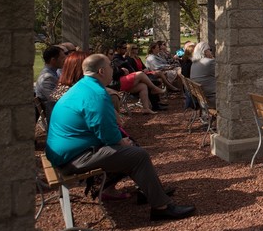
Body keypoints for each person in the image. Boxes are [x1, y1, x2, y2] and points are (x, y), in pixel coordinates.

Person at [45, 54, 196, 221]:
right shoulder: (95, 94)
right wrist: (121, 141)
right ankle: (161, 207)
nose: (114, 70)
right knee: (138, 156)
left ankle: (150, 191)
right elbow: (106, 131)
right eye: (111, 66)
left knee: (131, 149)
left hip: (67, 152)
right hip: (73, 158)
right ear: (101, 71)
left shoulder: (83, 87)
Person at [35, 45, 67, 121]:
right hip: (56, 115)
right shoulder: (47, 78)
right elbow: (55, 99)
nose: (65, 60)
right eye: (62, 58)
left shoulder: (54, 73)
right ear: (53, 60)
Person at [190, 41, 217, 107]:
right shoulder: (210, 62)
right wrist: (213, 59)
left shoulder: (194, 63)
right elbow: (222, 74)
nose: (211, 52)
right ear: (204, 51)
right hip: (212, 98)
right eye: (210, 50)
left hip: (201, 98)